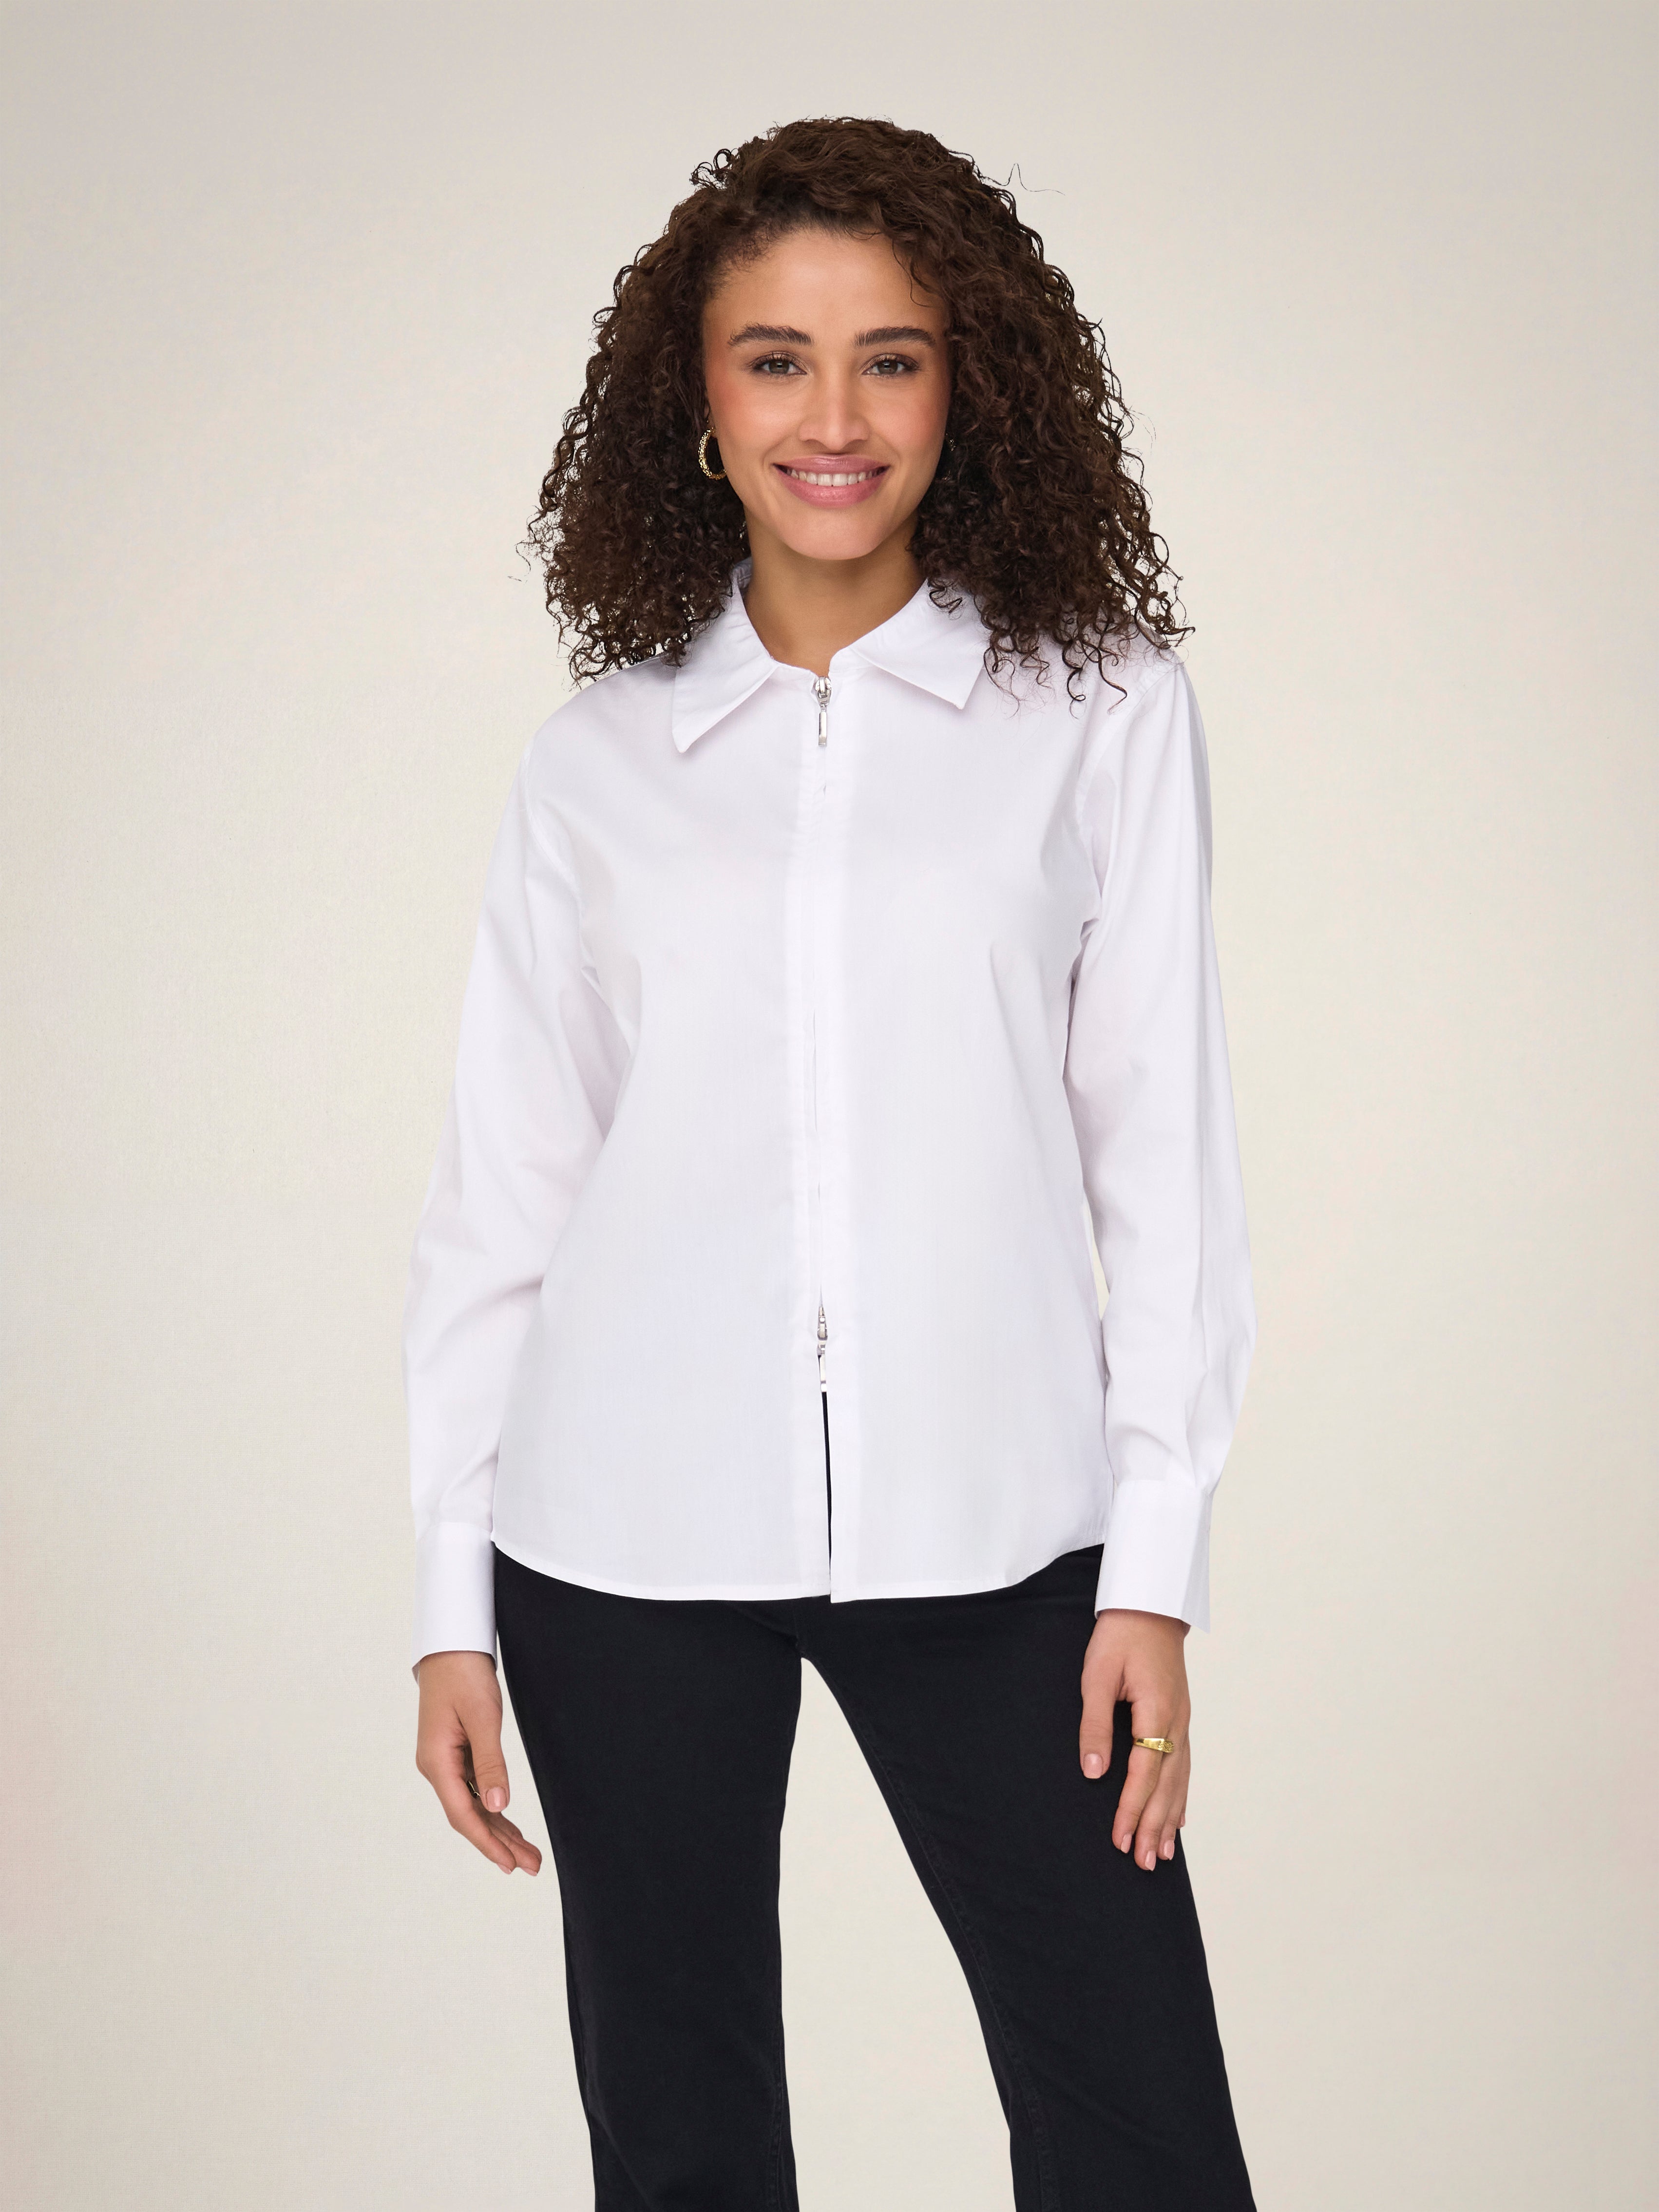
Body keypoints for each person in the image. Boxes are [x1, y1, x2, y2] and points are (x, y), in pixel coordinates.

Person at [405, 115, 1259, 2211]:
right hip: (617, 1540)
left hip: (1003, 1526)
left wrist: (1153, 1563)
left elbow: (1164, 1154)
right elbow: (507, 1194)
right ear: (695, 401)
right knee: (681, 2147)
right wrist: (450, 1595)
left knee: (1140, 2133)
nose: (835, 417)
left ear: (971, 389)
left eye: (892, 357)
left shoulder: (1097, 711)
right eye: (775, 359)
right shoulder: (599, 763)